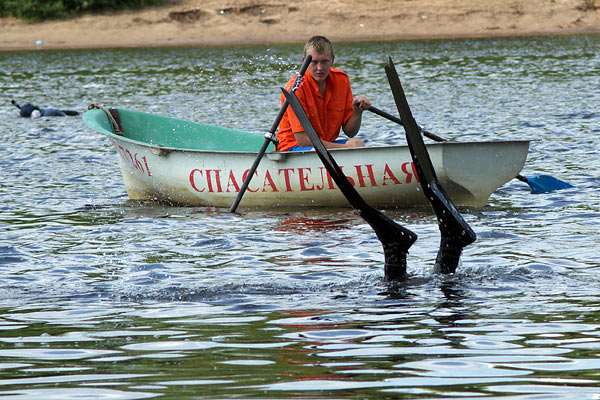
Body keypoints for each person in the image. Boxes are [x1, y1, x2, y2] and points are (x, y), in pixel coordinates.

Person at [277, 36, 371, 151]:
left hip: (326, 145)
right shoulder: (295, 88)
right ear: (304, 61)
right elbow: (303, 141)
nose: (319, 68)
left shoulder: (342, 79)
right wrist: (345, 147)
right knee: (318, 151)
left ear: (332, 60)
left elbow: (350, 132)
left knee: (358, 143)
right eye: (314, 62)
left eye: (324, 62)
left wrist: (357, 112)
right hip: (293, 148)